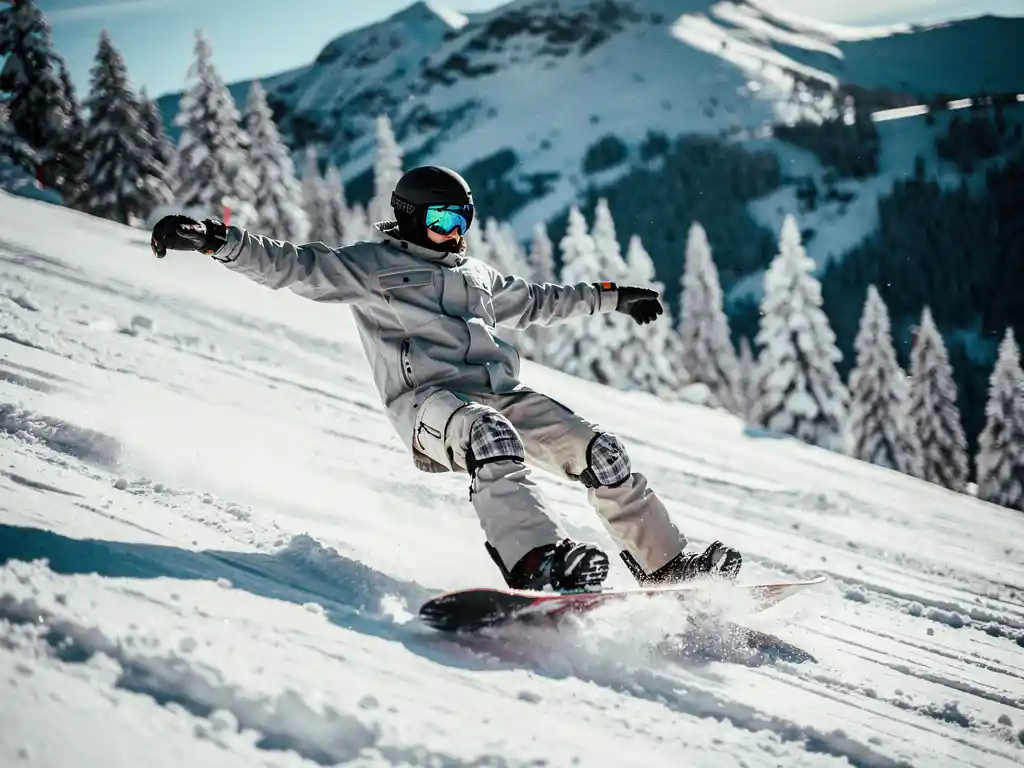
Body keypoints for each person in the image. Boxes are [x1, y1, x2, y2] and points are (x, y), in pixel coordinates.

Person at [150, 165, 743, 592]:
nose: (454, 232)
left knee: (601, 452)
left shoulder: (477, 275)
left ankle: (665, 564)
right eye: (441, 220)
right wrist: (214, 239)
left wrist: (612, 297)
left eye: (462, 219)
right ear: (410, 219)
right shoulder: (372, 267)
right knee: (489, 439)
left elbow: (539, 300)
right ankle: (536, 558)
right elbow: (292, 265)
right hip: (428, 404)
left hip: (499, 393)